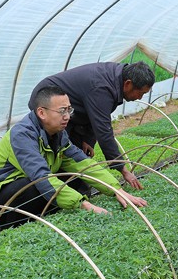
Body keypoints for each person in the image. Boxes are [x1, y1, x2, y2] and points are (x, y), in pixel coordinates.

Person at [0, 86, 147, 232]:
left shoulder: (58, 134)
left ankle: (43, 213)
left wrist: (115, 189)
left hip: (25, 185)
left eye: (69, 110)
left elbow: (82, 163)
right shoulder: (22, 135)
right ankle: (7, 226)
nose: (67, 116)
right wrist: (85, 205)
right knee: (35, 186)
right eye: (62, 111)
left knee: (77, 179)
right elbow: (41, 176)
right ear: (41, 112)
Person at [27, 61, 155, 190]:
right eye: (141, 93)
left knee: (76, 156)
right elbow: (104, 130)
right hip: (48, 101)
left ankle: (74, 189)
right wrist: (123, 169)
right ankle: (53, 191)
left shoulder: (114, 79)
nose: (140, 97)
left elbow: (95, 111)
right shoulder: (102, 87)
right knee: (60, 152)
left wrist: (88, 139)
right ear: (128, 84)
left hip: (73, 112)